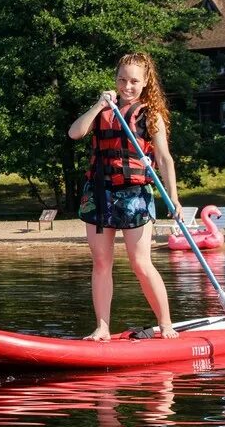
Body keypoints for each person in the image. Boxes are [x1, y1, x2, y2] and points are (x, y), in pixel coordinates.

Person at [67, 52, 180, 342]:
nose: (126, 86)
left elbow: (165, 159)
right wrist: (99, 105)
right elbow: (75, 133)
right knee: (101, 262)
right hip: (99, 193)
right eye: (121, 79)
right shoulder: (105, 109)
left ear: (144, 83)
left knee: (140, 262)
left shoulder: (150, 114)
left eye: (133, 81)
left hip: (134, 194)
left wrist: (174, 197)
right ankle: (102, 327)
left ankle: (166, 323)